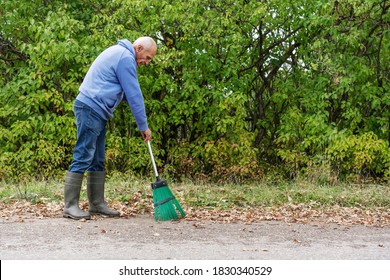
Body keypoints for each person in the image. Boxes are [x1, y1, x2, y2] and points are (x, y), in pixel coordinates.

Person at [63, 37, 157, 220]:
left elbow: (122, 92)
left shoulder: (121, 54)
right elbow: (134, 95)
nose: (146, 63)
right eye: (147, 57)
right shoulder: (125, 58)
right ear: (138, 48)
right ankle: (70, 206)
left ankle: (96, 204)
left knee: (97, 158)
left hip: (96, 109)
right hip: (91, 107)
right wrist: (143, 126)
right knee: (83, 154)